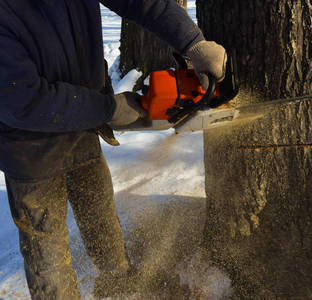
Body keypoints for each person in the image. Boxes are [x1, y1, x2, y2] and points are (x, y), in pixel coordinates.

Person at [0, 0, 226, 298]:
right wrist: (108, 109)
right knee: (47, 247)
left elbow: (146, 3)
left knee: (100, 215)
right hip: (30, 149)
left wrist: (193, 42)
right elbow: (24, 101)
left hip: (84, 126)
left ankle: (120, 286)